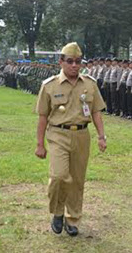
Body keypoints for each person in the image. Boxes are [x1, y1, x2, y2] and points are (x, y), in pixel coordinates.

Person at [35, 42, 107, 236]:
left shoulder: (89, 84)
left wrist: (101, 136)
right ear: (61, 62)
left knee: (77, 180)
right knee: (59, 176)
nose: (74, 65)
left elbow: (96, 112)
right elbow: (42, 116)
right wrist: (40, 144)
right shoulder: (49, 86)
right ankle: (57, 212)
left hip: (82, 135)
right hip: (58, 134)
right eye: (70, 61)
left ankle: (72, 218)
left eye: (78, 61)